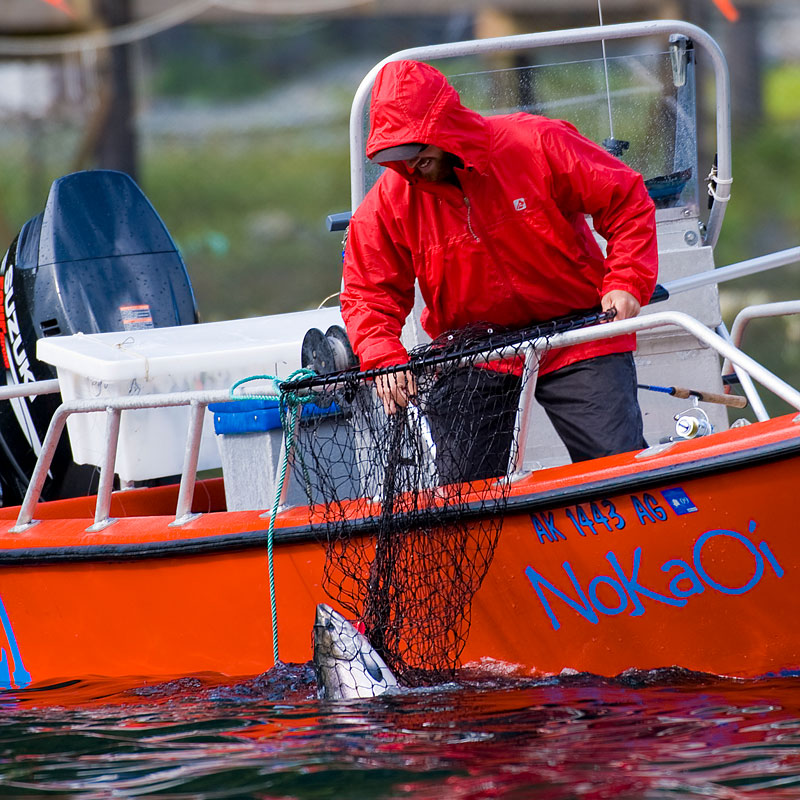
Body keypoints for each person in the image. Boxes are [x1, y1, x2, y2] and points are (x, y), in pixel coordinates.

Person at [340, 59, 658, 477]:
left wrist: (627, 280)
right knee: (464, 496)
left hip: (580, 333)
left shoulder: (536, 142)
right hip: (474, 355)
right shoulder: (385, 205)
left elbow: (626, 199)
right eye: (396, 159)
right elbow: (367, 293)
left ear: (443, 129)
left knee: (618, 469)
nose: (408, 168)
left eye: (417, 154)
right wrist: (383, 356)